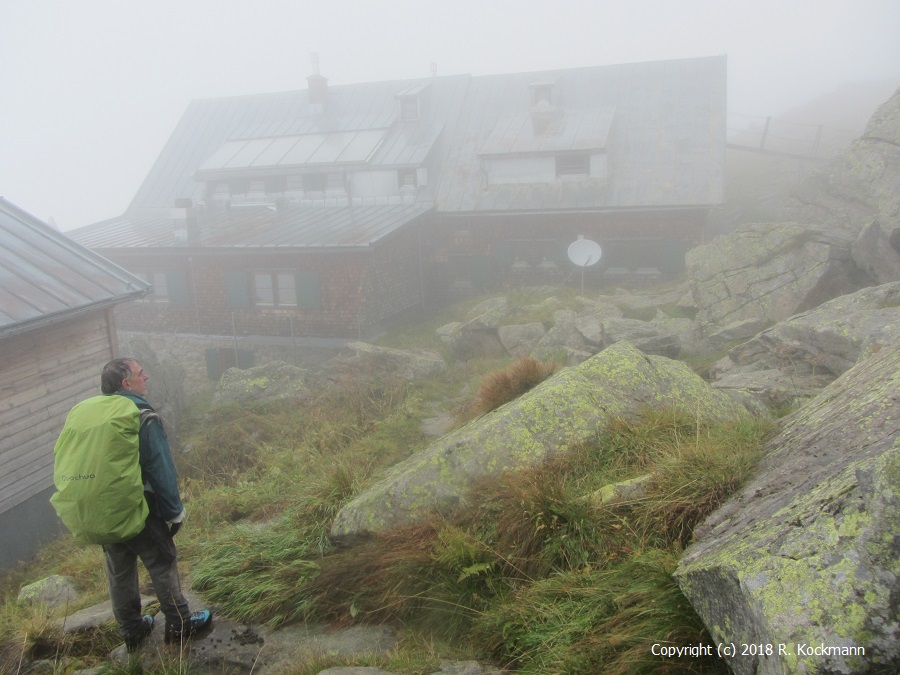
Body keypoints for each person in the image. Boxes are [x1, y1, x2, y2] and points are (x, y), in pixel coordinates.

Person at [99, 357, 212, 651]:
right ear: (126, 384)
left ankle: (132, 631)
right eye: (140, 374)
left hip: (103, 508)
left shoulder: (97, 416)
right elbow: (159, 467)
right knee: (162, 561)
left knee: (120, 570)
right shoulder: (140, 415)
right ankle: (181, 624)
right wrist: (174, 512)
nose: (146, 377)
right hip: (137, 506)